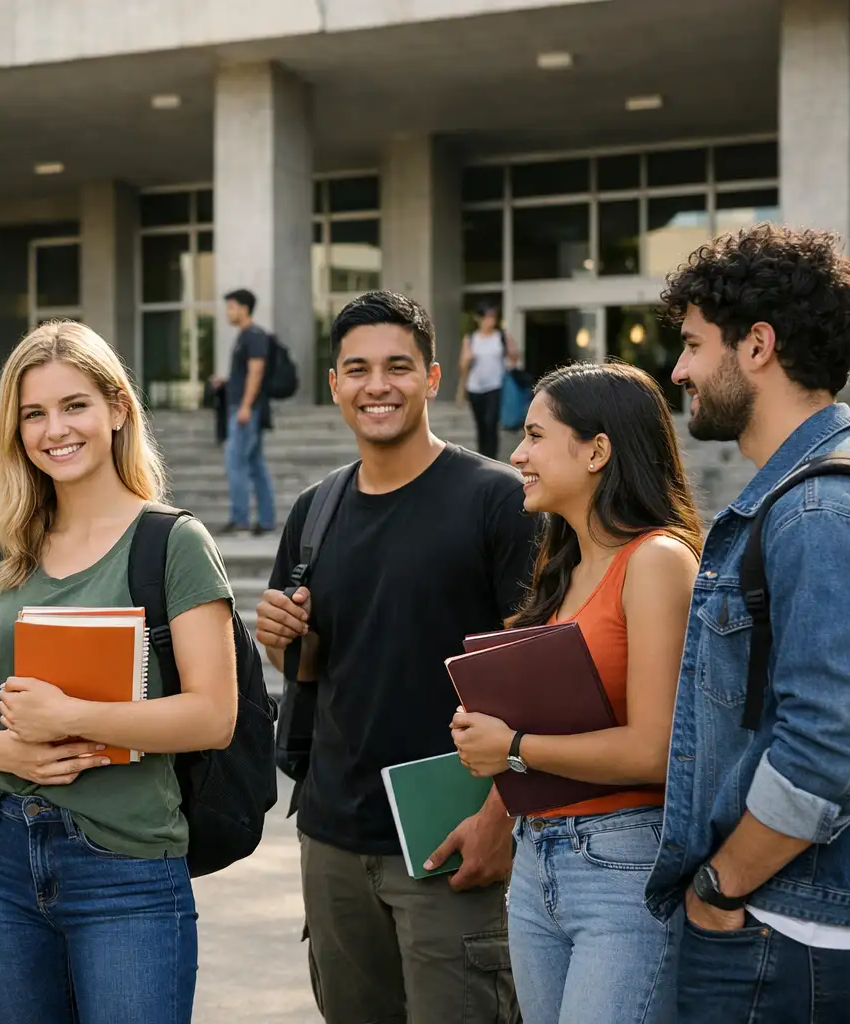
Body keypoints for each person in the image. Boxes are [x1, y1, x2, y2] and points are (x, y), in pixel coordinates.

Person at [0, 320, 238, 1024]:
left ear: (117, 409)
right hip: (0, 857)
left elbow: (213, 715)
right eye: (33, 413)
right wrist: (9, 751)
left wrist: (70, 719)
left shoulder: (174, 543)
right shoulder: (1, 555)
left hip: (126, 866)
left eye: (75, 406)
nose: (54, 429)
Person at [643, 223, 850, 1023]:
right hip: (798, 917)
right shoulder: (821, 492)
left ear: (757, 345)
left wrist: (723, 887)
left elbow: (830, 743)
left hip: (788, 923)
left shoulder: (821, 510)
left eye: (692, 344)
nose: (679, 370)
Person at [254, 290, 535, 1023]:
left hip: (451, 839)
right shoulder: (315, 510)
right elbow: (318, 675)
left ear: (434, 378)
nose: (377, 385)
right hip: (333, 839)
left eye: (397, 367)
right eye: (357, 369)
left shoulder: (497, 501)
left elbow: (536, 680)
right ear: (335, 384)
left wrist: (500, 819)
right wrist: (289, 644)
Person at [449, 361, 702, 1024]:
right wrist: (488, 729)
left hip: (622, 866)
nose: (518, 454)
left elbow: (656, 751)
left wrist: (515, 746)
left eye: (535, 436)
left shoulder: (656, 561)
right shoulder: (565, 566)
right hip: (539, 861)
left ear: (597, 450)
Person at [214, 287, 276, 535]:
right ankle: (266, 521)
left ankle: (240, 518)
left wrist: (246, 407)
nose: (228, 312)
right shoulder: (244, 336)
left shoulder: (254, 335)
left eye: (231, 307)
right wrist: (226, 382)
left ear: (243, 308)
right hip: (242, 408)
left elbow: (256, 371)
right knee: (255, 464)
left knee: (235, 462)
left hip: (245, 411)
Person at [457, 302, 520, 459]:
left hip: (495, 386)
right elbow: (463, 367)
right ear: (479, 318)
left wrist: (512, 351)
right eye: (487, 317)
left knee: (491, 422)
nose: (490, 320)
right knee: (481, 425)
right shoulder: (471, 338)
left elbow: (514, 357)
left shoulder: (501, 336)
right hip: (475, 387)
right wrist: (461, 391)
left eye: (493, 317)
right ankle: (483, 456)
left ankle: (492, 457)